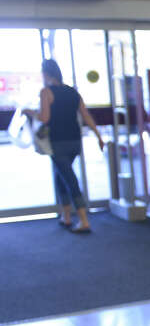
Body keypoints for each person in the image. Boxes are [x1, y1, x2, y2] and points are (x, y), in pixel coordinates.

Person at [24, 59, 106, 233]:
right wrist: (98, 136)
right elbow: (86, 115)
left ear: (46, 74)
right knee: (60, 174)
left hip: (58, 141)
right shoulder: (72, 92)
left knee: (68, 177)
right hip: (74, 141)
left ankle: (84, 219)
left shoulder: (46, 92)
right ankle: (66, 216)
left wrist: (30, 112)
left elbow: (44, 118)